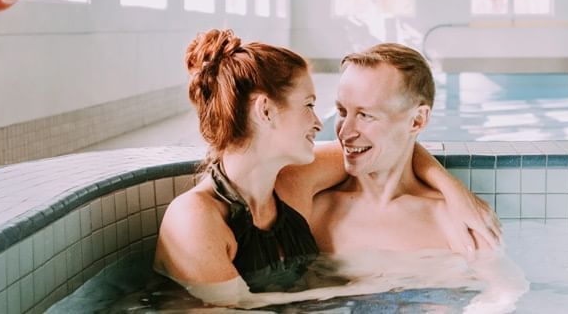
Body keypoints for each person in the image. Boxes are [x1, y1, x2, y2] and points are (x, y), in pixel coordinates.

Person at [153, 30, 498, 308]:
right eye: (309, 105)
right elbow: (240, 307)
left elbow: (392, 148)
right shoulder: (194, 219)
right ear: (266, 111)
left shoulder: (292, 184)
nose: (324, 124)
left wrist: (455, 191)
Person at [309, 43, 528, 312]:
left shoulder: (452, 220)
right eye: (342, 112)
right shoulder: (317, 212)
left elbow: (506, 289)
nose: (345, 132)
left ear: (417, 121)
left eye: (365, 115)